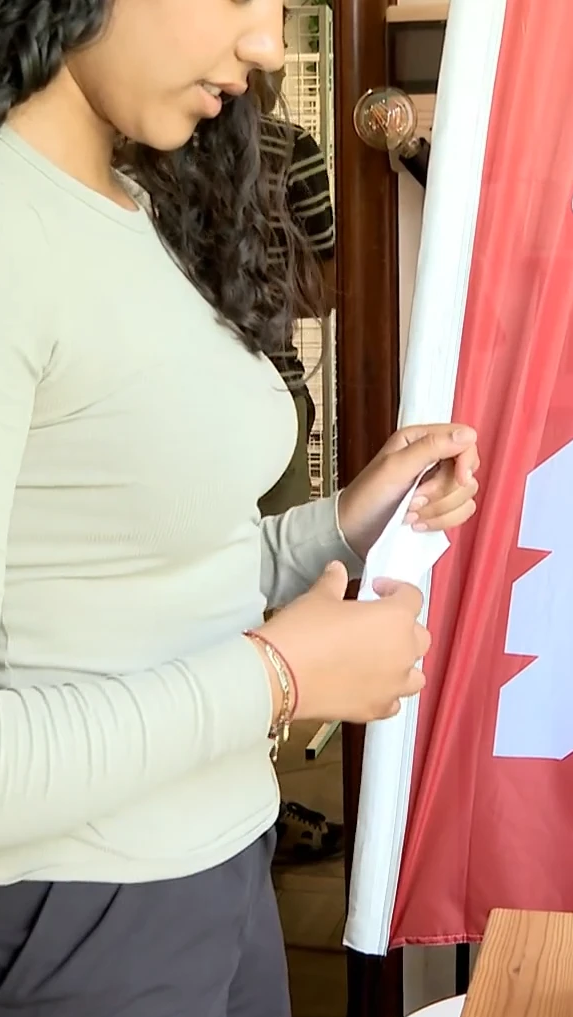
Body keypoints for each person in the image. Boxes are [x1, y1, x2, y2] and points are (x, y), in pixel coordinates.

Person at [0, 2, 481, 1017]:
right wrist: (283, 678)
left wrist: (344, 522)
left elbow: (154, 567)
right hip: (53, 918)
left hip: (212, 862)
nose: (265, 45)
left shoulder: (137, 200)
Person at [254, 72, 349, 865]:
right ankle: (259, 805)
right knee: (272, 603)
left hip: (165, 402)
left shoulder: (127, 155)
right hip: (272, 388)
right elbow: (328, 282)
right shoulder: (292, 148)